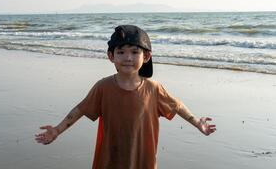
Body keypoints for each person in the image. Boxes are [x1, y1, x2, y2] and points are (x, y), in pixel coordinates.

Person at [35, 25, 216, 169]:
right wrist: (57, 130)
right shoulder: (103, 87)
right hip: (110, 159)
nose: (128, 57)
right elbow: (80, 109)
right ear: (110, 56)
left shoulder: (153, 88)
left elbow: (177, 106)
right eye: (121, 52)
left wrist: (197, 123)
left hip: (142, 160)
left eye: (135, 52)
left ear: (146, 56)